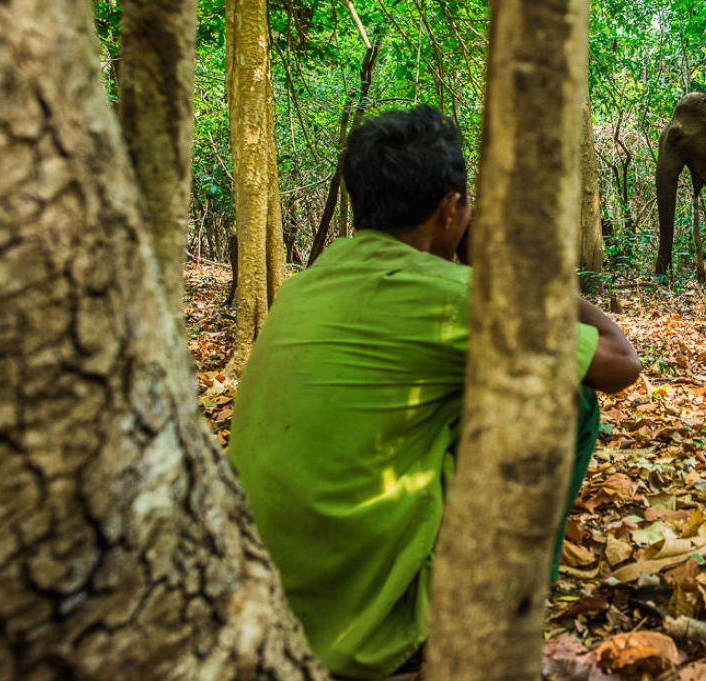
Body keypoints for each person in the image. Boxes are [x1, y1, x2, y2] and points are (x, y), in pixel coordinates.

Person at [227, 106, 641, 680]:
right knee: (571, 399)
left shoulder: (302, 287)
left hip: (256, 615)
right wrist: (520, 276)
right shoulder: (457, 298)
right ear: (450, 210)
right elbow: (620, 364)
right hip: (366, 642)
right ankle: (506, 601)